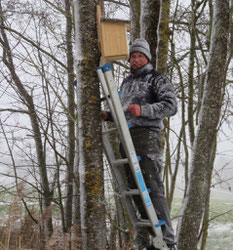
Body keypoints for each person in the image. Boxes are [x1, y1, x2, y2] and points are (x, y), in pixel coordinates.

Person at [101, 38, 177, 250]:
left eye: (140, 56)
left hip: (148, 136)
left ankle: (167, 240)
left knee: (151, 186)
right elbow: (123, 113)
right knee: (134, 187)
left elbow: (171, 106)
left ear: (147, 58)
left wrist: (144, 110)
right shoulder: (126, 82)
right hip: (127, 136)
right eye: (133, 56)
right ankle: (152, 238)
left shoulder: (157, 78)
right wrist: (108, 116)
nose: (135, 59)